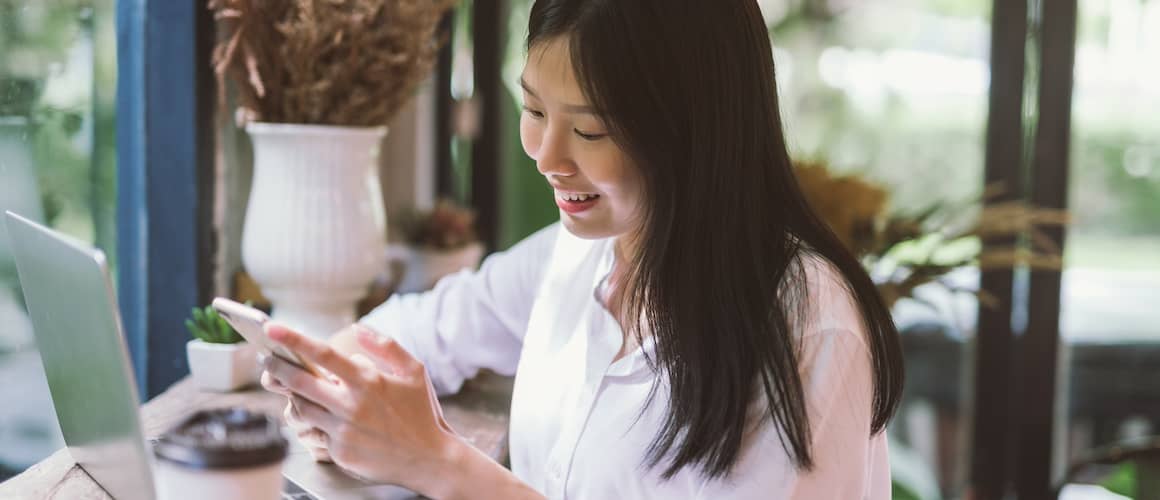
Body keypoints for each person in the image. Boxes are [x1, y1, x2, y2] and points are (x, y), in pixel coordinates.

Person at [260, 0, 905, 498]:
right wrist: (327, 385)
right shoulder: (580, 257)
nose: (546, 156)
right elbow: (429, 326)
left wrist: (439, 462)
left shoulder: (809, 331)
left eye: (590, 129)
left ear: (694, 134)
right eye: (534, 111)